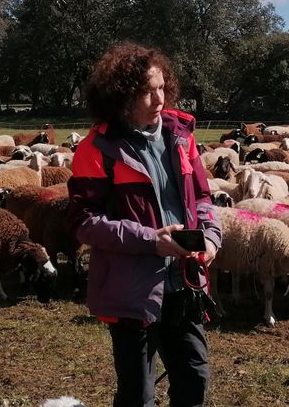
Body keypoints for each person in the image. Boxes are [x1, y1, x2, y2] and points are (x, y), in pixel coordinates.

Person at [68, 42, 223, 407]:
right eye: (145, 91)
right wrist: (150, 239)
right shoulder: (97, 149)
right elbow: (83, 220)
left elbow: (202, 197)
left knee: (194, 378)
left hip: (184, 281)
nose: (158, 99)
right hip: (132, 289)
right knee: (138, 394)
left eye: (161, 87)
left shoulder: (182, 137)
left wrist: (211, 237)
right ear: (120, 97)